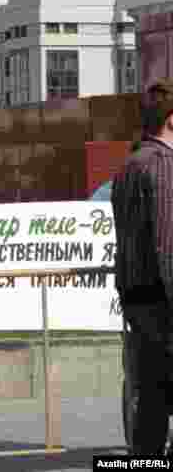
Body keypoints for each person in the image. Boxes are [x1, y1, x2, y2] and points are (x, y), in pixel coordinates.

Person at [112, 81, 173, 456]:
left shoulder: (128, 166)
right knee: (155, 403)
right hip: (164, 304)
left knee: (151, 404)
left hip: (139, 302)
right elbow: (168, 244)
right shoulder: (163, 164)